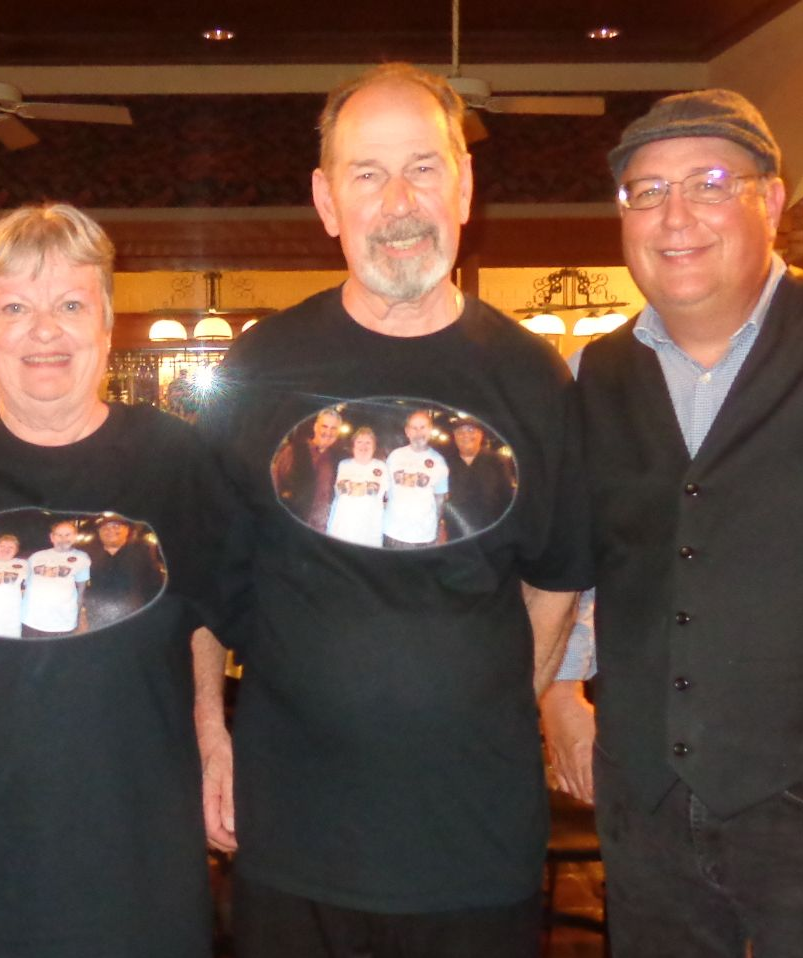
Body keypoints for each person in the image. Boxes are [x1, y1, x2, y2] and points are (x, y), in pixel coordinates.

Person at [197, 63, 590, 958]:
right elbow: (205, 588)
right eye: (366, 173)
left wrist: (482, 717)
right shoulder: (257, 367)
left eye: (422, 167)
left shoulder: (533, 377)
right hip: (291, 835)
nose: (398, 202)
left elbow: (555, 581)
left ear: (464, 187)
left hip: (472, 837)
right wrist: (210, 737)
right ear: (326, 201)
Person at [0, 203, 231, 958]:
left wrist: (212, 733)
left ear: (106, 322)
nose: (44, 331)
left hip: (129, 842)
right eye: (14, 308)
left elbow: (204, 609)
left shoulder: (174, 457)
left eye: (70, 304)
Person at [541, 89, 802, 957]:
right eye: (646, 192)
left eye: (709, 183)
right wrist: (560, 694)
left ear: (771, 200)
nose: (674, 216)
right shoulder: (590, 375)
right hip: (645, 801)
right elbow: (579, 558)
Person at [82, 515, 165, 629]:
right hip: (98, 617)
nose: (110, 530)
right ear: (99, 533)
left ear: (127, 530)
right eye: (105, 528)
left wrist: (153, 612)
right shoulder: (88, 554)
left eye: (116, 526)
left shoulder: (143, 553)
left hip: (134, 616)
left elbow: (155, 584)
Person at [270, 406, 343, 531]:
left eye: (333, 428)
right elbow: (274, 484)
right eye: (324, 426)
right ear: (315, 427)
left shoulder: (338, 458)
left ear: (338, 432)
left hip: (323, 529)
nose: (328, 432)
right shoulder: (293, 450)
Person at [383, 408, 449, 547]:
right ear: (407, 431)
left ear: (430, 430)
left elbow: (440, 499)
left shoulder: (439, 461)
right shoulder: (394, 456)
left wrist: (437, 526)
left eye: (423, 427)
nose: (419, 432)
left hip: (424, 537)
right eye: (414, 428)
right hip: (392, 533)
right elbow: (385, 491)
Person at [442, 415, 515, 539]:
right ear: (455, 436)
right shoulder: (446, 463)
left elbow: (507, 498)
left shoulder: (497, 461)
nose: (466, 435)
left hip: (490, 533)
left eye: (471, 430)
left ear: (481, 434)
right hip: (456, 535)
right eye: (460, 432)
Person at [21, 519, 91, 636]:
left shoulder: (82, 558)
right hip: (30, 620)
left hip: (62, 623)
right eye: (59, 535)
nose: (63, 538)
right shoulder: (36, 557)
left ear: (75, 536)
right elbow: (23, 584)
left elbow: (81, 591)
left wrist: (78, 617)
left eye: (68, 534)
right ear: (52, 537)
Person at [325, 426, 387, 547]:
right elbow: (341, 490)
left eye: (368, 442)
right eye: (359, 442)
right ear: (353, 445)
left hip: (369, 532)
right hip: (342, 530)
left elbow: (379, 493)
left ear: (374, 446)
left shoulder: (382, 467)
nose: (364, 446)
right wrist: (366, 486)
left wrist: (353, 486)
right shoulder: (343, 464)